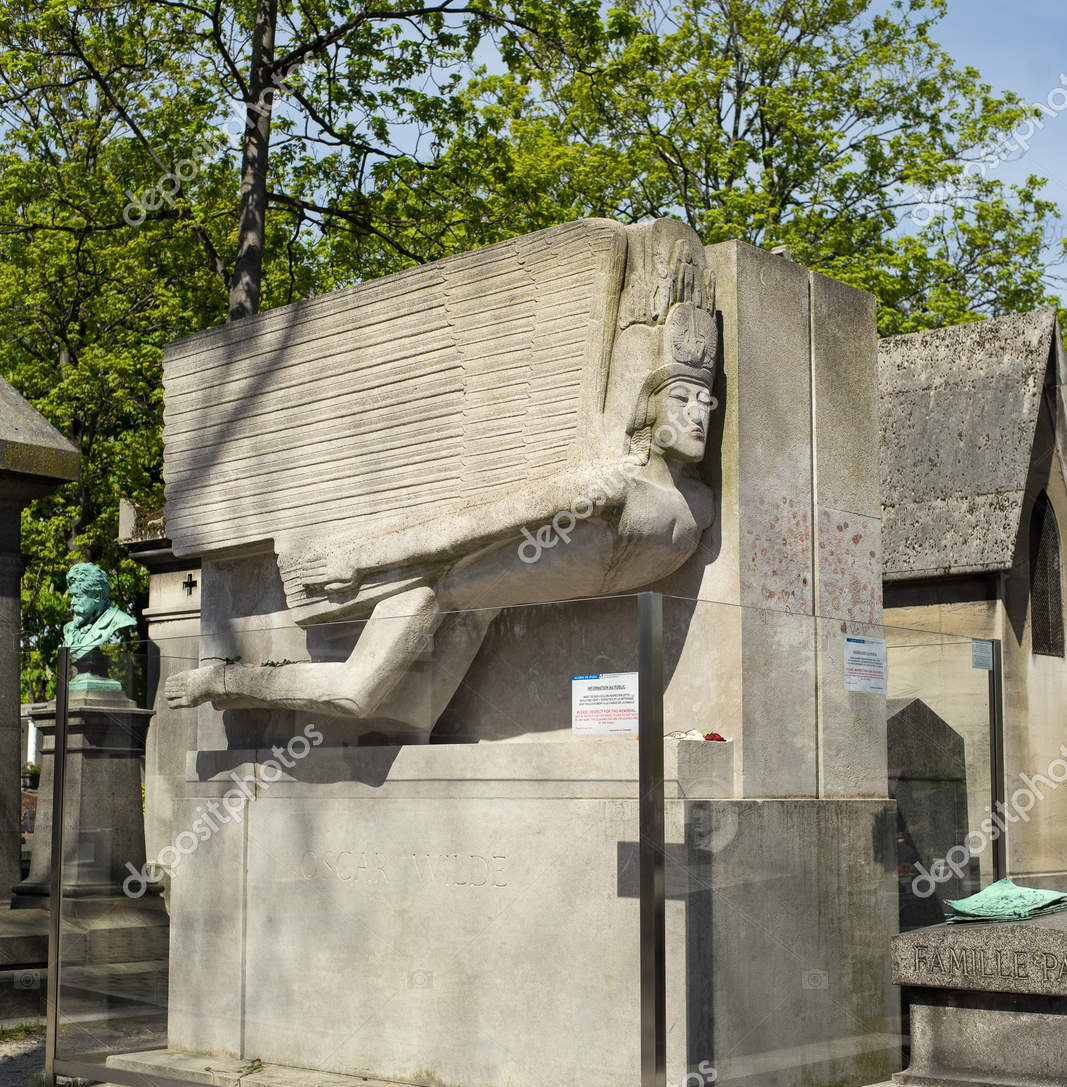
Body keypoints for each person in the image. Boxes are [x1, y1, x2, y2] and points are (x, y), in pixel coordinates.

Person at [165, 252, 717, 730]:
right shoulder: (611, 486)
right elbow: (477, 524)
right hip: (429, 583)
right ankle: (224, 680)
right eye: (681, 400)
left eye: (705, 401)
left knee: (404, 723)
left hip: (475, 614)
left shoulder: (702, 509)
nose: (697, 415)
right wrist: (360, 560)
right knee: (355, 695)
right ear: (648, 410)